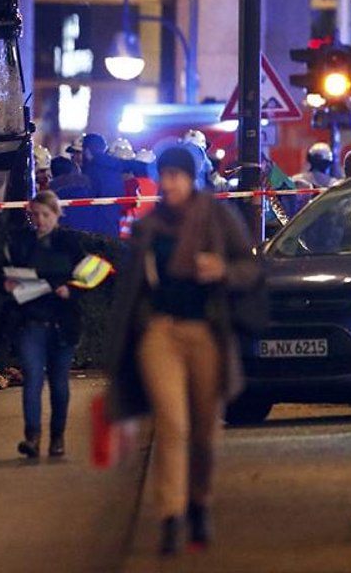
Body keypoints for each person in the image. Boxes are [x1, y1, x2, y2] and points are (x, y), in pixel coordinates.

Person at [105, 147, 264, 556]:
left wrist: (224, 270)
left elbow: (250, 268)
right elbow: (131, 290)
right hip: (160, 334)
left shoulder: (217, 216)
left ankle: (199, 503)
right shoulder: (149, 226)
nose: (171, 183)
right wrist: (125, 341)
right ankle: (171, 516)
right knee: (173, 425)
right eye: (165, 175)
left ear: (192, 178)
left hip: (206, 333)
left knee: (205, 430)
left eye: (178, 175)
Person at [2, 190, 85, 458]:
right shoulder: (20, 243)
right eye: (35, 215)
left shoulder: (69, 243)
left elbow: (86, 278)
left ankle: (57, 437)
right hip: (32, 320)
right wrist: (6, 284)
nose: (40, 220)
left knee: (59, 382)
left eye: (45, 215)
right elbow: (3, 272)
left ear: (56, 214)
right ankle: (33, 437)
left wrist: (70, 291)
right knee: (33, 379)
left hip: (62, 322)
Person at [78, 133, 131, 237]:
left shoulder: (91, 170)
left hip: (94, 230)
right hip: (113, 226)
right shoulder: (115, 168)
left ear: (87, 150)